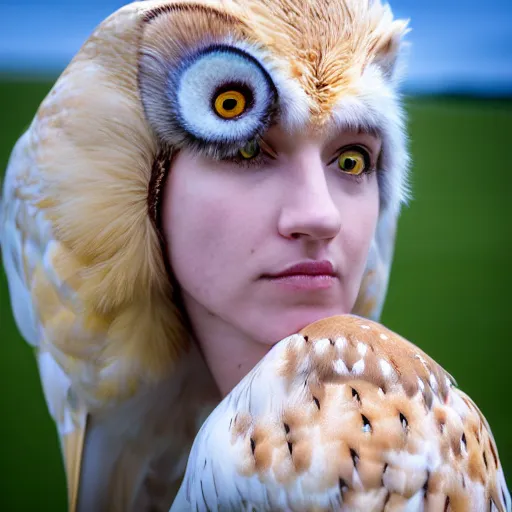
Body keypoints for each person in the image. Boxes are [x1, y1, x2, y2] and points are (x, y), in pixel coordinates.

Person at [1, 0, 411, 510]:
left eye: (352, 161)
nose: (321, 215)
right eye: (245, 148)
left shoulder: (420, 450)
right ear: (145, 184)